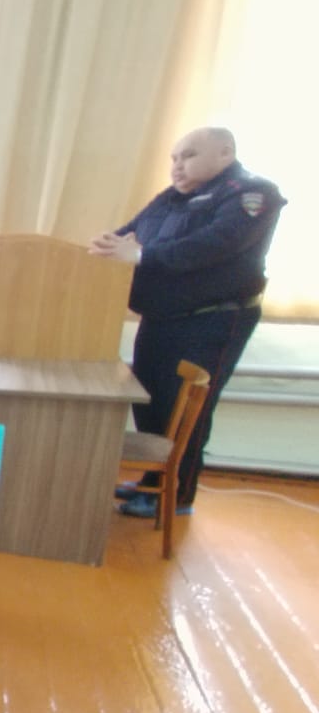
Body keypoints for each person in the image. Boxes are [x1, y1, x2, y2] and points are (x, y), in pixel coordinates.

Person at [90, 126, 286, 518]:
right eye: (175, 158)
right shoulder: (173, 197)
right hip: (162, 317)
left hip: (212, 321)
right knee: (151, 402)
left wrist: (141, 255)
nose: (178, 166)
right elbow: (128, 234)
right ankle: (155, 481)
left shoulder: (251, 194)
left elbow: (215, 244)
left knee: (185, 409)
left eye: (189, 155)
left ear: (224, 153)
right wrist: (102, 247)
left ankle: (177, 495)